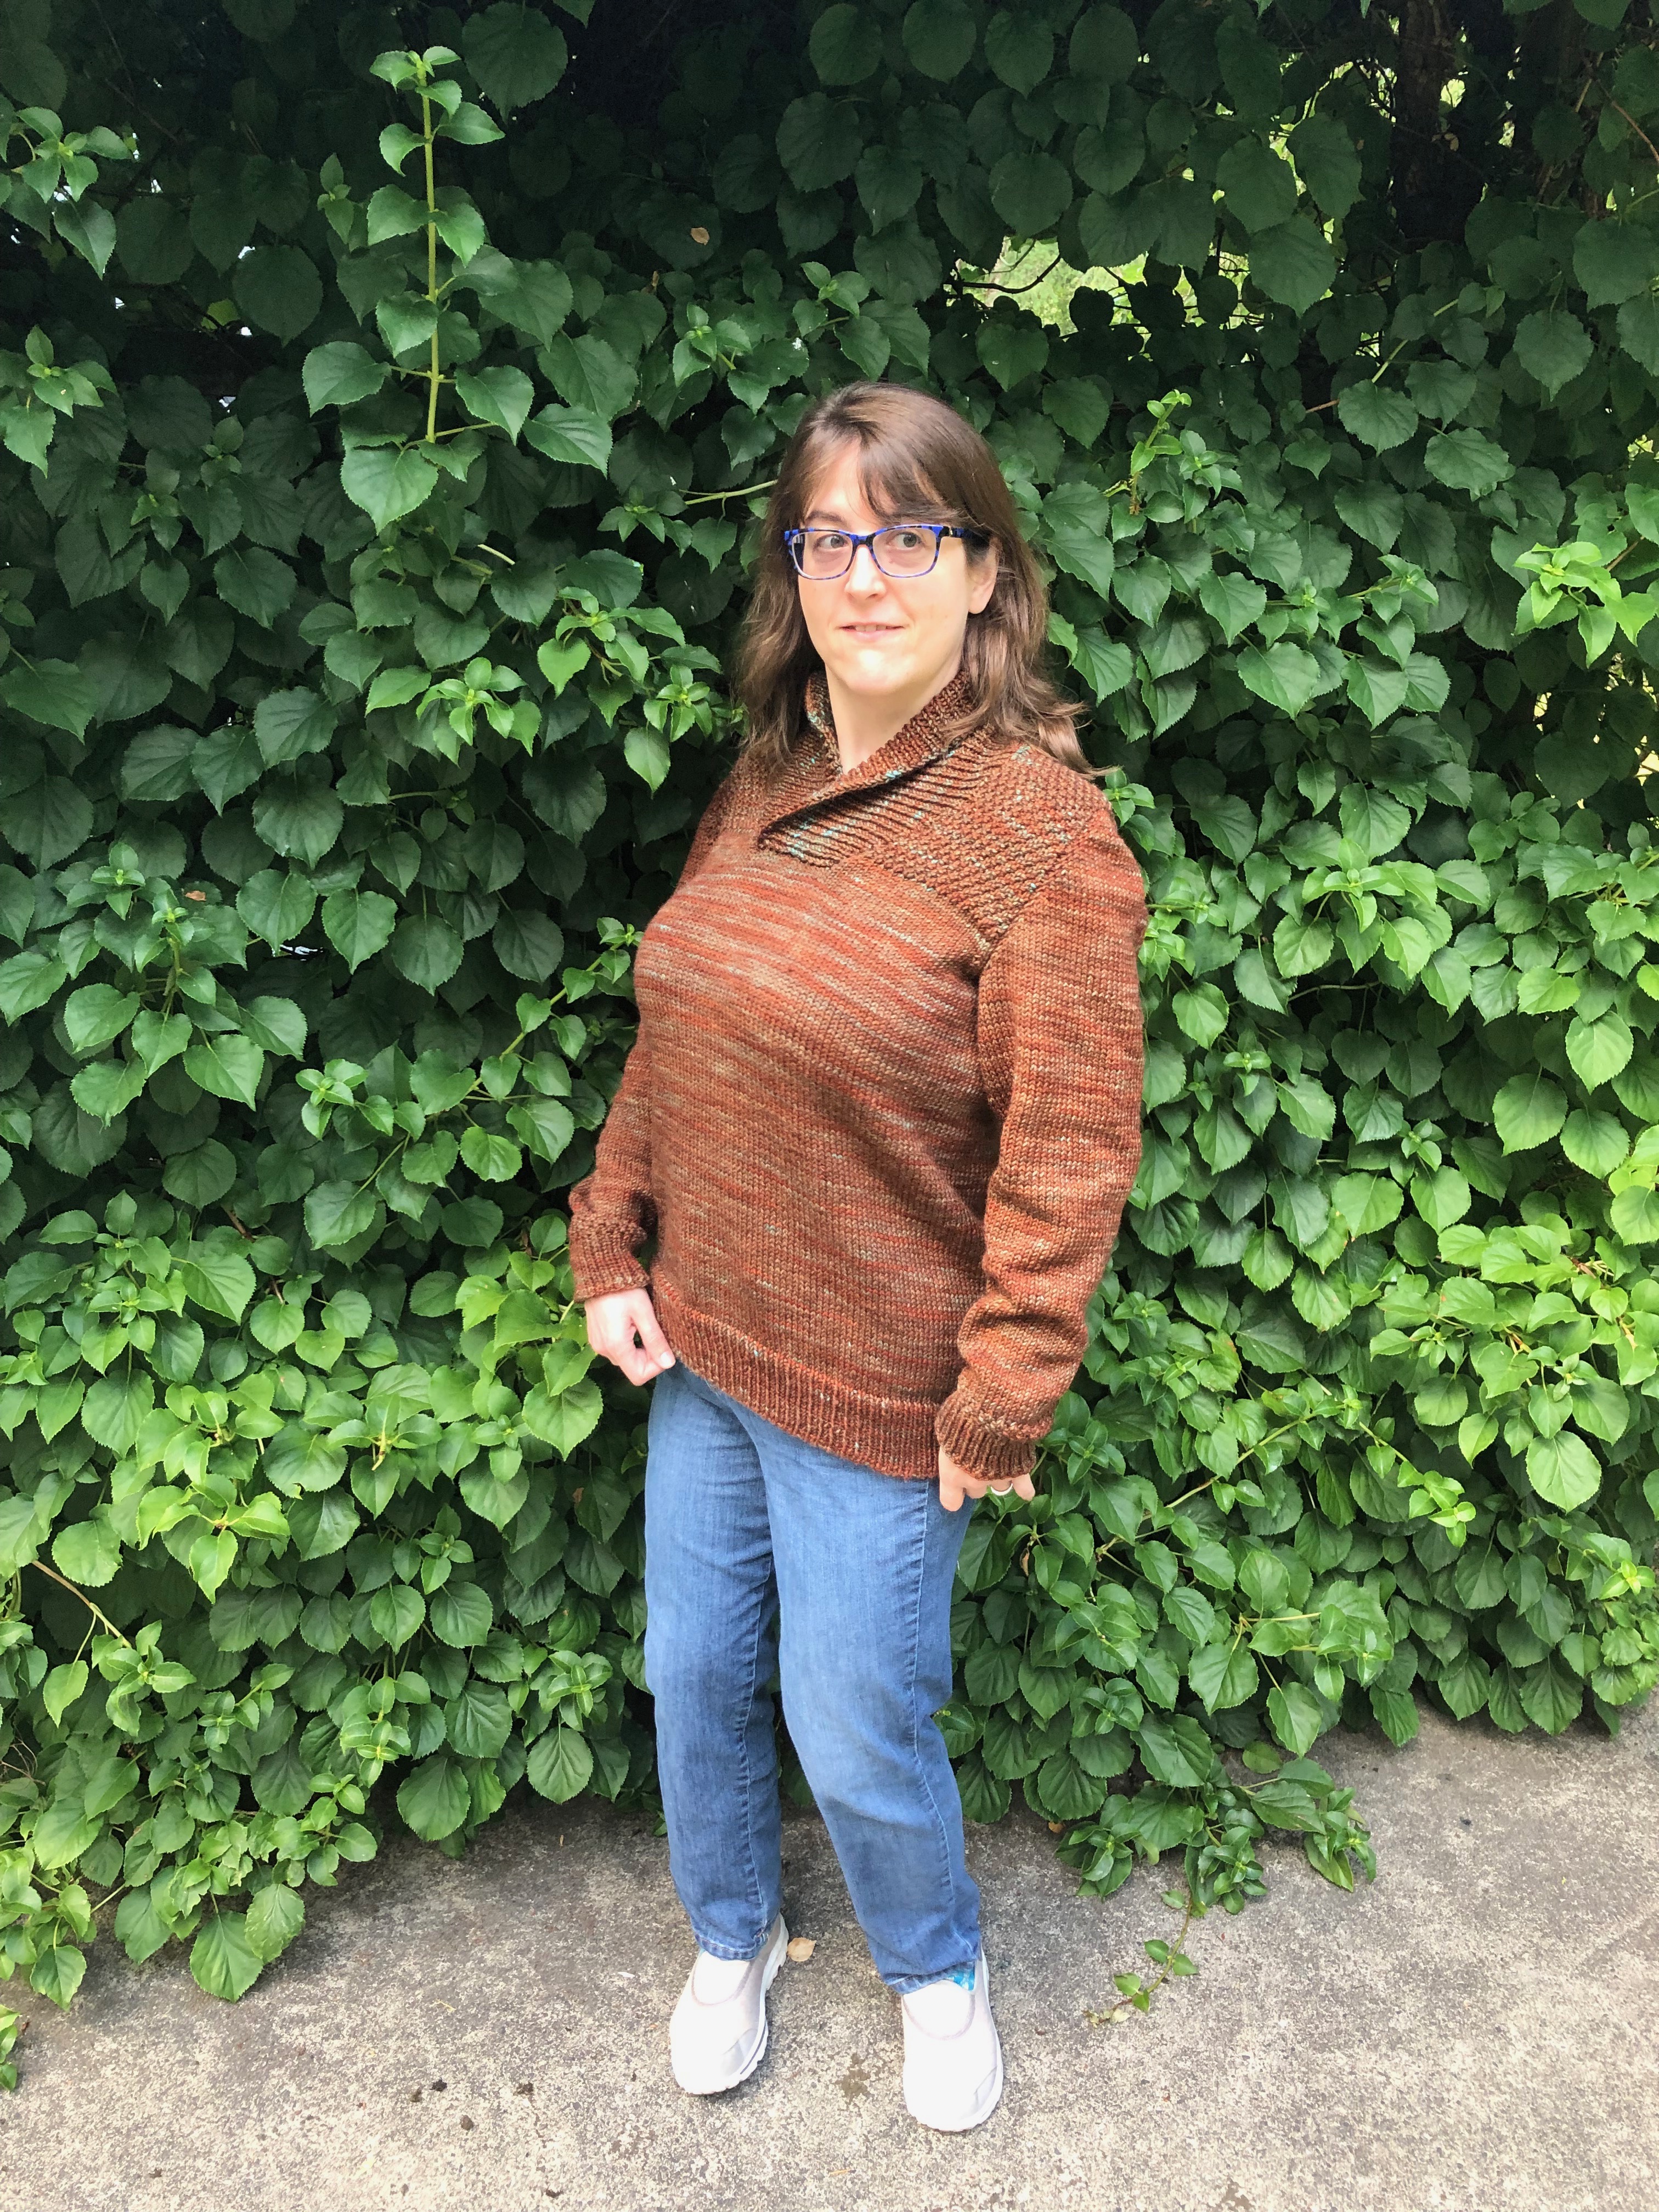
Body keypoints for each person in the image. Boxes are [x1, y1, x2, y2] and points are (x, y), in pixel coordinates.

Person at [565, 379, 1147, 2132]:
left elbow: (1068, 1156)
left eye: (908, 536)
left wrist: (1004, 1397)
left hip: (887, 1391)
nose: (864, 576)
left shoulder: (1047, 844)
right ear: (791, 573)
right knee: (691, 1679)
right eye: (826, 540)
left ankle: (935, 1970)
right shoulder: (767, 777)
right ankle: (730, 1932)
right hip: (707, 1345)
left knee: (859, 1717)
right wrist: (612, 1232)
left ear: (987, 571)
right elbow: (681, 1027)